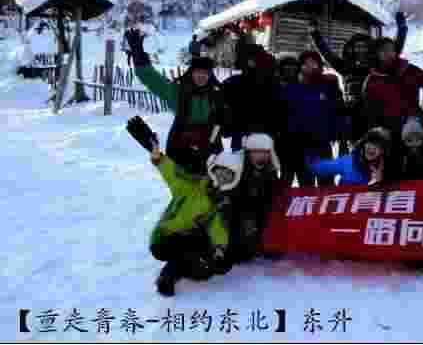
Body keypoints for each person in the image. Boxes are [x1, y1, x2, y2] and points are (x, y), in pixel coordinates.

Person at [126, 116, 235, 297]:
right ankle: (167, 277)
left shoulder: (218, 202)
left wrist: (219, 249)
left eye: (227, 177)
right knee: (188, 253)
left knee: (206, 271)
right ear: (211, 171)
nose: (220, 180)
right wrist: (156, 154)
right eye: (219, 173)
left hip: (188, 238)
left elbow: (217, 227)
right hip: (164, 238)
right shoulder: (190, 186)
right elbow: (171, 172)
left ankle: (187, 269)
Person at [126, 28, 227, 176]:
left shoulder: (217, 96)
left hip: (212, 159)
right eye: (197, 72)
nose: (201, 76)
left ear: (210, 75)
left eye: (205, 73)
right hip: (181, 155)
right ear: (191, 72)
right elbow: (152, 79)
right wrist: (139, 55)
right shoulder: (178, 92)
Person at [310, 12, 408, 147]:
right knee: (357, 151)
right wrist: (315, 34)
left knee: (379, 148)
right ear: (352, 49)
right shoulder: (345, 66)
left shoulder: (378, 65)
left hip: (376, 115)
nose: (361, 49)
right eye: (358, 46)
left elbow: (395, 49)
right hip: (354, 117)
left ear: (370, 49)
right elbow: (326, 53)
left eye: (364, 46)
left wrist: (402, 28)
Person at [363, 36, 423, 143]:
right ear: (376, 54)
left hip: (413, 125)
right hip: (388, 131)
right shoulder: (372, 81)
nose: (389, 53)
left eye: (391, 50)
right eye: (384, 50)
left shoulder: (407, 70)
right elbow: (371, 112)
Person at [282, 50, 343, 187]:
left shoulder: (328, 86)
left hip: (323, 143)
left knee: (326, 183)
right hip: (301, 145)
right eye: (306, 63)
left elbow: (337, 111)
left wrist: (338, 135)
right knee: (306, 184)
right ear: (300, 67)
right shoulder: (291, 88)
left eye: (314, 63)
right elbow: (288, 116)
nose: (311, 66)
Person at [228, 133, 283, 263]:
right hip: (242, 208)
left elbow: (275, 189)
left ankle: (267, 245)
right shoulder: (238, 167)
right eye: (256, 152)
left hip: (262, 206)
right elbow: (233, 194)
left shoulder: (270, 168)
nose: (260, 155)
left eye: (264, 152)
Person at [221, 45, 284, 151]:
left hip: (260, 133)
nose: (251, 62)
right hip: (245, 133)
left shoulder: (271, 82)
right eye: (249, 59)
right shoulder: (234, 82)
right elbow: (224, 107)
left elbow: (279, 108)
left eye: (253, 59)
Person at [307, 127, 394, 186]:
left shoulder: (389, 168)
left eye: (378, 146)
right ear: (364, 143)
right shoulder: (349, 161)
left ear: (383, 151)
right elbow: (318, 168)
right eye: (370, 142)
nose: (372, 148)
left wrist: (379, 183)